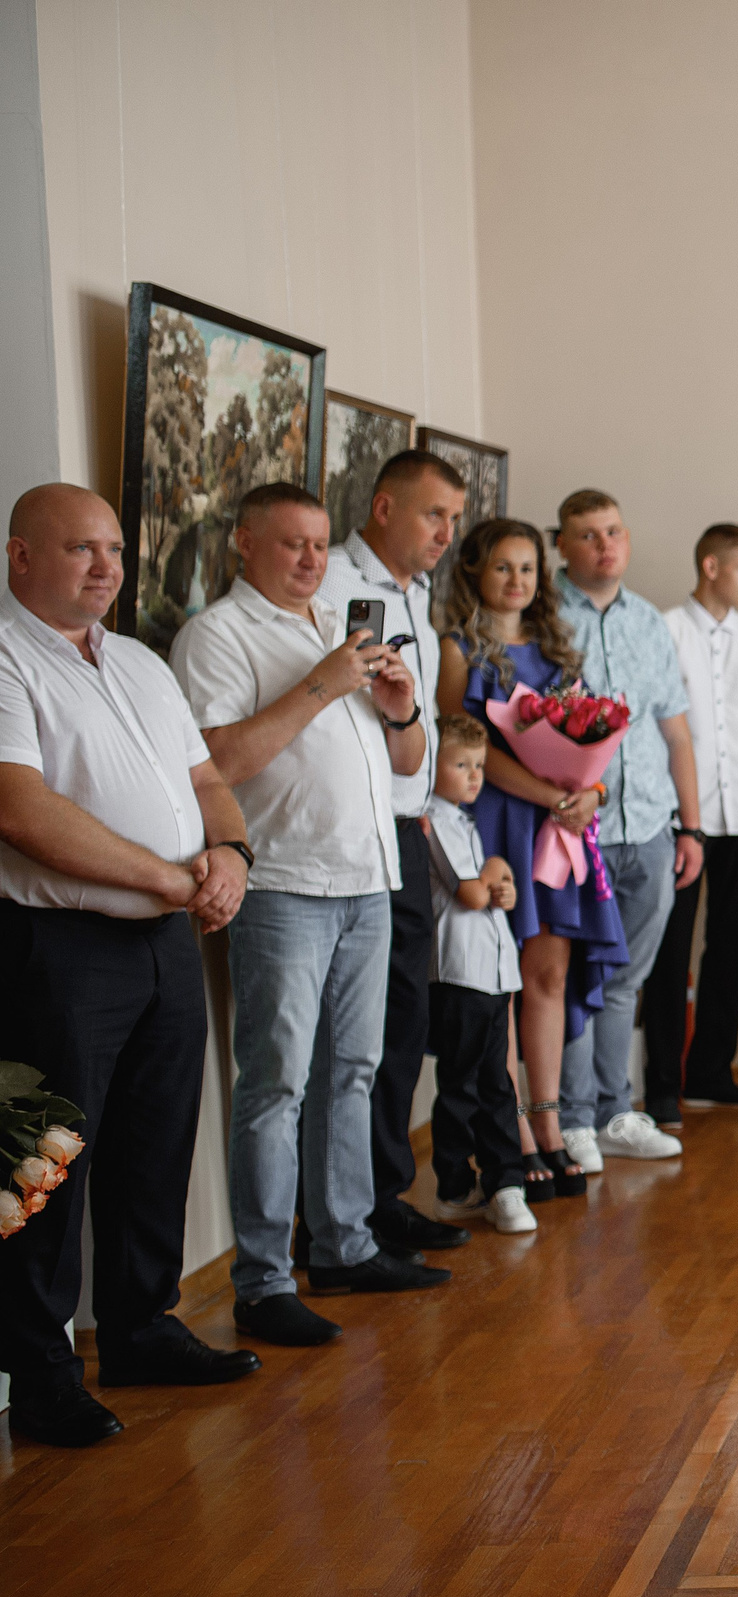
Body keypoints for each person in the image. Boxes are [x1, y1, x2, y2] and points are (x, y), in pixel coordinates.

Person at [0, 484, 260, 1447]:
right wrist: (166, 875)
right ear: (22, 557)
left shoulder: (142, 660)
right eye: (80, 549)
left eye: (112, 548)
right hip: (60, 947)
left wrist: (230, 854)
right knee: (50, 1164)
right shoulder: (5, 657)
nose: (106, 567)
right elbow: (20, 809)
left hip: (165, 939)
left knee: (157, 1142)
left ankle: (142, 1328)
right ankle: (40, 1374)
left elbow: (205, 781)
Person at [170, 483, 450, 1348]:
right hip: (286, 884)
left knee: (354, 1071)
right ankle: (260, 1278)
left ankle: (344, 1244)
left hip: (368, 876)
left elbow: (407, 760)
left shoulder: (338, 623)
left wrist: (399, 703)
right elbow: (216, 759)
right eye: (292, 544)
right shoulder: (217, 634)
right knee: (276, 1083)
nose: (311, 560)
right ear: (243, 544)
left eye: (321, 544)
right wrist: (323, 687)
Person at [312, 448, 473, 1260]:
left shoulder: (417, 597)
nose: (446, 532)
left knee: (402, 1024)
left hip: (410, 828)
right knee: (353, 1040)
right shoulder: (336, 589)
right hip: (352, 838)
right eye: (432, 514)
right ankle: (345, 1214)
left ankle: (380, 1195)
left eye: (453, 517)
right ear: (383, 508)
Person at [435, 518, 628, 1198]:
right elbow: (467, 751)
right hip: (497, 822)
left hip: (558, 829)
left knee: (548, 971)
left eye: (527, 568)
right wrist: (550, 792)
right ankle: (511, 1131)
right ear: (474, 574)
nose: (517, 581)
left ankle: (550, 1124)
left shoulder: (558, 650)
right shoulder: (457, 650)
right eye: (502, 568)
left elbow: (599, 742)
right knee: (503, 981)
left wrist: (591, 792)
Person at [550, 489, 702, 1148]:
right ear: (561, 545)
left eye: (613, 531)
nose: (604, 545)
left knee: (624, 981)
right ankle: (574, 1118)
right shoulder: (543, 618)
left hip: (648, 831)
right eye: (587, 534)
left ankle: (615, 1112)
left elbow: (676, 732)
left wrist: (689, 828)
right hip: (572, 833)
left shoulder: (648, 621)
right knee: (575, 979)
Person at [654, 524, 738, 1111]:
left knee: (730, 944)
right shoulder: (664, 630)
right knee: (670, 946)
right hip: (681, 817)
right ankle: (662, 1089)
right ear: (711, 567)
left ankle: (712, 1072)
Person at [421, 715, 537, 1235]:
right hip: (460, 974)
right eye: (461, 764)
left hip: (494, 974)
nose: (474, 776)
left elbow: (488, 892)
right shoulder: (431, 819)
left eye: (480, 767)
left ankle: (505, 1181)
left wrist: (502, 886)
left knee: (498, 1081)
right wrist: (495, 870)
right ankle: (452, 1185)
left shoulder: (464, 820)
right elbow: (470, 893)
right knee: (462, 1083)